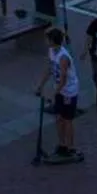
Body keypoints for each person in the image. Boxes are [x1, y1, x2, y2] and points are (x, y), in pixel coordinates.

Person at [34, 27, 81, 158]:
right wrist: (40, 85)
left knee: (67, 120)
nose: (45, 40)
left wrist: (54, 94)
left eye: (47, 39)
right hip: (59, 88)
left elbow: (64, 79)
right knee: (59, 118)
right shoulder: (51, 51)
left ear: (52, 41)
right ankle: (62, 144)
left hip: (69, 91)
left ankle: (71, 147)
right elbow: (50, 69)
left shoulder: (63, 57)